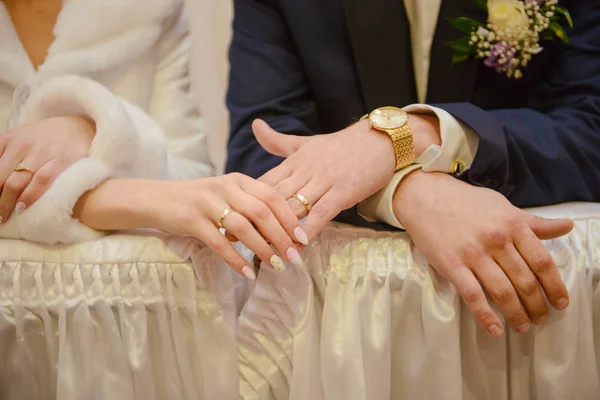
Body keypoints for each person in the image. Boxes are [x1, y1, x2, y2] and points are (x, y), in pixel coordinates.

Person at [226, 0, 600, 337]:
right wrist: (402, 189)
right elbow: (262, 149)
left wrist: (423, 130)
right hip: (347, 319)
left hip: (531, 304)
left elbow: (590, 129)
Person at [0, 0, 306, 280]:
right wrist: (130, 195)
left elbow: (191, 173)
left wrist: (91, 125)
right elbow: (177, 199)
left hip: (120, 316)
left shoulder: (149, 7)